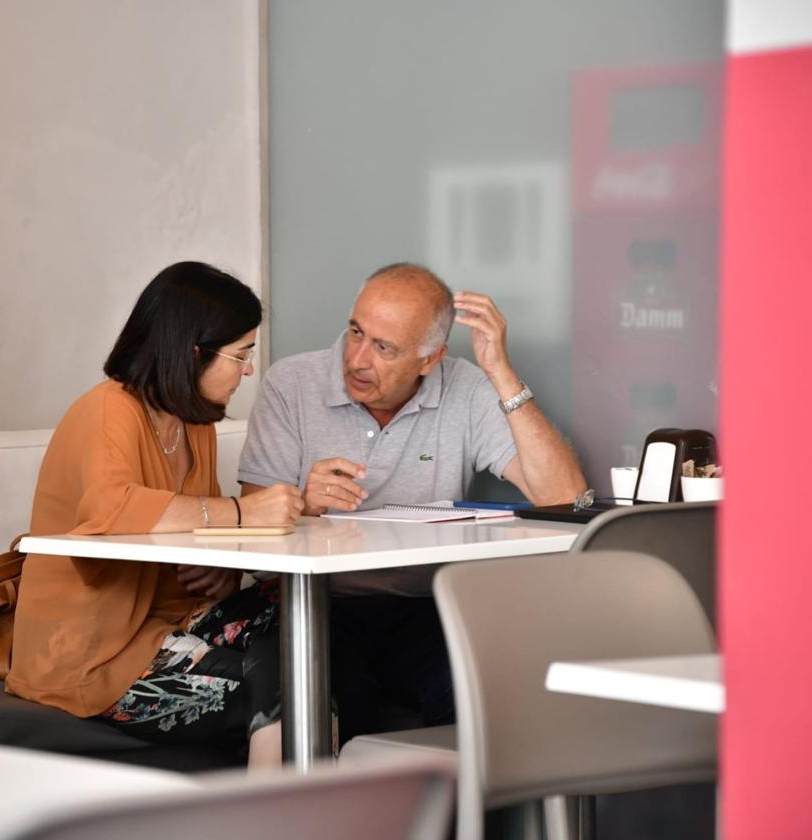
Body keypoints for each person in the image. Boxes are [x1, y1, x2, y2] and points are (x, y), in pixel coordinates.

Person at [238, 262, 586, 743]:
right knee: (339, 709)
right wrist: (303, 504)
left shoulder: (465, 388)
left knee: (487, 700)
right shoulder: (291, 384)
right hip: (317, 606)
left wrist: (501, 373)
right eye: (356, 332)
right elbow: (248, 526)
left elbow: (564, 498)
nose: (358, 359)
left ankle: (460, 820)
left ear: (430, 359)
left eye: (384, 348)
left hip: (426, 604)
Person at [6, 261, 303, 768]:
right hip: (97, 650)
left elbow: (196, 529)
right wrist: (240, 511)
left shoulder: (196, 424)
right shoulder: (108, 409)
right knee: (282, 683)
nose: (249, 370)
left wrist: (220, 566)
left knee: (305, 621)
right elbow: (112, 507)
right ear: (193, 353)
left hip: (174, 620)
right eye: (242, 354)